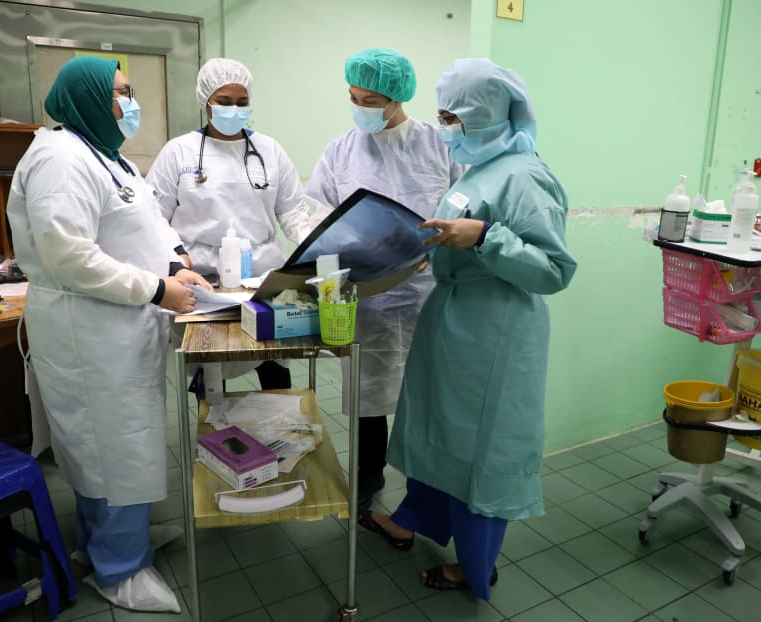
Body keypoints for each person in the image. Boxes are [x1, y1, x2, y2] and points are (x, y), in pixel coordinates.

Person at [358, 58, 578, 600]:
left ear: (482, 115)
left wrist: (483, 239)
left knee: (480, 450)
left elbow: (553, 270)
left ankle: (473, 568)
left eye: (451, 116)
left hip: (494, 335)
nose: (444, 127)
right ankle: (413, 520)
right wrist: (425, 247)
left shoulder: (527, 176)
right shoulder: (479, 169)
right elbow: (460, 230)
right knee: (437, 434)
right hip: (452, 319)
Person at [6, 55, 212, 613]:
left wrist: (175, 263)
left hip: (122, 324)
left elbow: (146, 222)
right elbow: (69, 256)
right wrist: (154, 288)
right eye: (120, 92)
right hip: (89, 329)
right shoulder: (59, 158)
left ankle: (113, 541)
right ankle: (118, 569)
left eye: (130, 91)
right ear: (89, 98)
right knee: (109, 445)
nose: (130, 103)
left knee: (120, 441)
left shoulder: (108, 156)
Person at [305, 48, 464, 508]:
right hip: (367, 297)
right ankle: (367, 479)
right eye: (353, 97)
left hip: (425, 294)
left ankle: (426, 486)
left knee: (427, 394)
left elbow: (464, 209)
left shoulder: (439, 146)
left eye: (371, 100)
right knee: (367, 395)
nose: (360, 107)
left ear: (397, 98)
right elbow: (315, 214)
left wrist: (432, 248)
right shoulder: (340, 149)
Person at [147, 58, 321, 390]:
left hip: (262, 280)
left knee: (272, 365)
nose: (234, 110)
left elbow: (293, 214)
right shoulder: (178, 152)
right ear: (205, 102)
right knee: (210, 373)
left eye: (242, 103)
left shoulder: (270, 150)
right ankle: (212, 434)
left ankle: (279, 432)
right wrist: (175, 257)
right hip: (203, 283)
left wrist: (319, 249)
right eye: (224, 102)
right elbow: (154, 217)